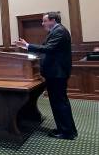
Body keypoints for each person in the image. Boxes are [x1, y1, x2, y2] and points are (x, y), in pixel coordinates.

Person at [15, 11, 78, 140]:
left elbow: (48, 49)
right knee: (58, 102)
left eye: (44, 21)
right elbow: (45, 48)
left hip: (57, 73)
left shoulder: (59, 31)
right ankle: (66, 128)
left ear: (53, 20)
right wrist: (28, 46)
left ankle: (67, 132)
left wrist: (27, 45)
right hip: (55, 73)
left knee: (59, 102)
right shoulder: (54, 31)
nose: (42, 23)